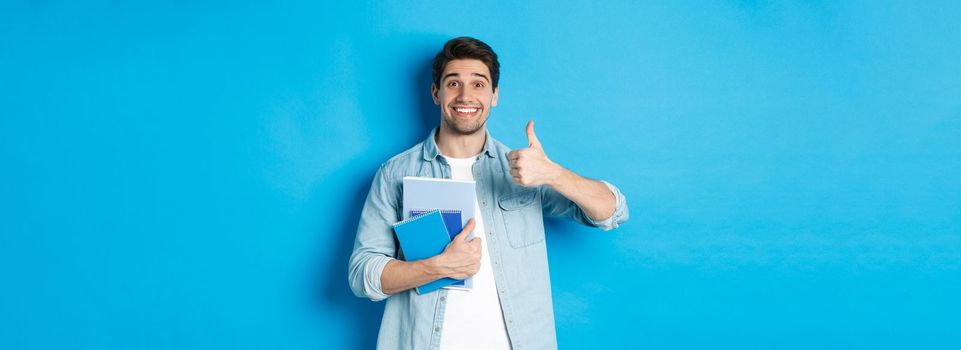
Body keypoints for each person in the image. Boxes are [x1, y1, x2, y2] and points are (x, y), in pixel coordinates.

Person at [348, 36, 629, 350]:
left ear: (494, 95)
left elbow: (612, 211)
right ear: (435, 93)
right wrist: (438, 267)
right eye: (453, 83)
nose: (466, 95)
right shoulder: (395, 174)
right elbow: (363, 275)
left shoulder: (525, 170)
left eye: (479, 84)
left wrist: (553, 173)